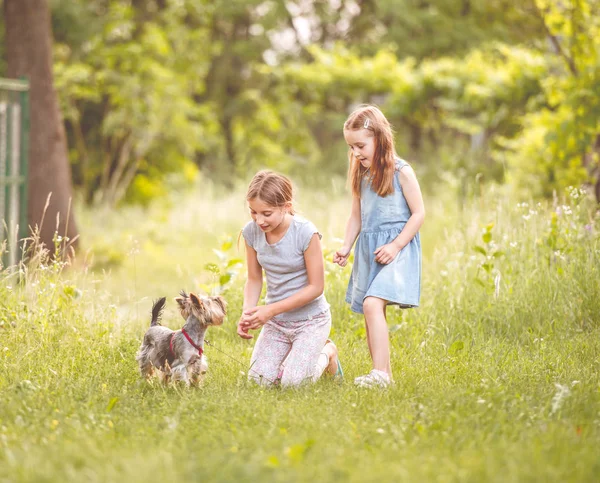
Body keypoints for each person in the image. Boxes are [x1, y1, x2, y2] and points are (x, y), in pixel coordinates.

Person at [333, 105, 425, 388]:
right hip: (369, 249)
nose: (357, 152)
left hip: (396, 248)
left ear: (380, 138)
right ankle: (384, 375)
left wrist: (396, 245)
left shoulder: (401, 171)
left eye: (361, 145)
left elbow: (419, 213)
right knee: (371, 310)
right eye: (351, 147)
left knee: (373, 303)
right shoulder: (361, 174)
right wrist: (346, 246)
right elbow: (356, 216)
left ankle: (381, 375)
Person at [237, 170, 342, 387]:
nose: (259, 220)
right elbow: (254, 279)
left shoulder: (305, 233)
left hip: (311, 321)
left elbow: (316, 287)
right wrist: (248, 313)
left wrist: (270, 310)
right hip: (277, 323)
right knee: (258, 382)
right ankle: (291, 360)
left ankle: (327, 352)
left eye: (266, 213)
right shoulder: (251, 233)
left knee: (293, 384)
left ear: (285, 206)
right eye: (253, 212)